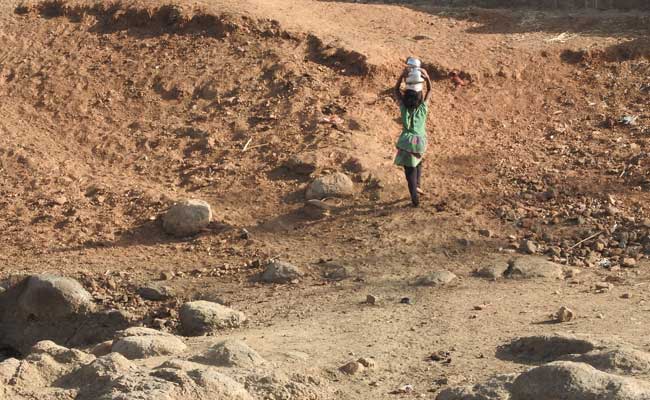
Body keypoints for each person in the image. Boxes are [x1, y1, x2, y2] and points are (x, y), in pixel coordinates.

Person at [393, 65, 432, 207]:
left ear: (405, 98)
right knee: (418, 160)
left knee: (409, 171)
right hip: (420, 141)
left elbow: (396, 90)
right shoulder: (422, 108)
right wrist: (427, 78)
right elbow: (430, 91)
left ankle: (415, 200)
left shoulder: (403, 108)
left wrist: (401, 76)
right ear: (419, 98)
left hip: (407, 142)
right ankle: (418, 185)